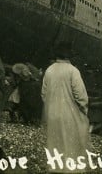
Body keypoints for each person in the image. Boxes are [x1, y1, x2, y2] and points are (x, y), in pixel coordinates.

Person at [41, 41, 90, 172]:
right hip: (70, 114)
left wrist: (50, 107)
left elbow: (43, 94)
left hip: (52, 113)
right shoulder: (73, 71)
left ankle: (55, 168)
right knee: (71, 144)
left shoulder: (49, 70)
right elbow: (81, 95)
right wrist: (83, 110)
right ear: (69, 55)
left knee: (55, 143)